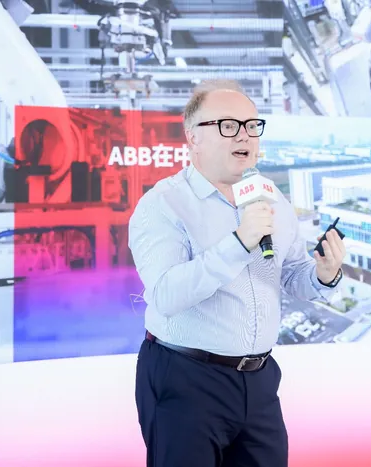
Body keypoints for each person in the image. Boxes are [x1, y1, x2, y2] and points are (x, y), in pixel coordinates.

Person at [128, 79, 346, 467]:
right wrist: (239, 242)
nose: (244, 135)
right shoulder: (163, 204)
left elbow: (291, 273)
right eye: (228, 125)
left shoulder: (269, 196)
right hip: (185, 379)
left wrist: (323, 274)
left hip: (259, 380)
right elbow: (166, 295)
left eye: (251, 125)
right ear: (193, 137)